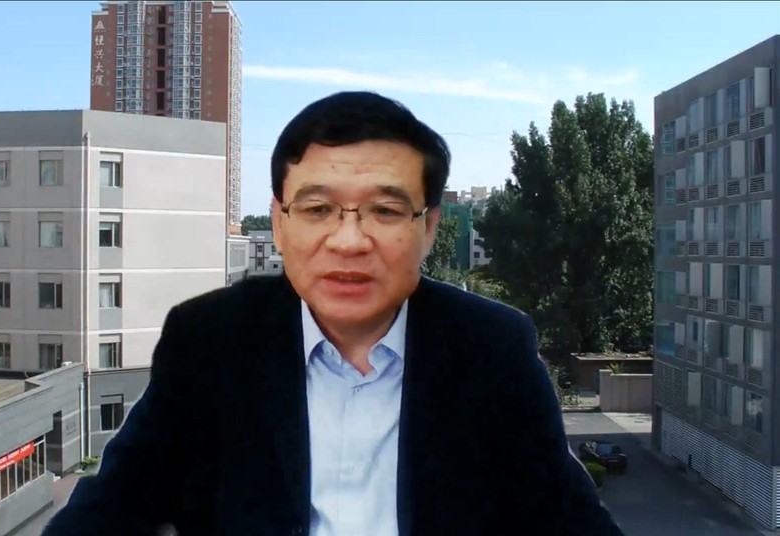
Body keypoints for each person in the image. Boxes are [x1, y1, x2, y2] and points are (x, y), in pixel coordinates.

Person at [43, 91, 624, 536]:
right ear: (279, 223)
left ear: (428, 228)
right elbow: (114, 505)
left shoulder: (491, 347)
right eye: (317, 209)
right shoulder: (210, 340)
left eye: (385, 211)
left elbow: (567, 519)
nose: (349, 241)